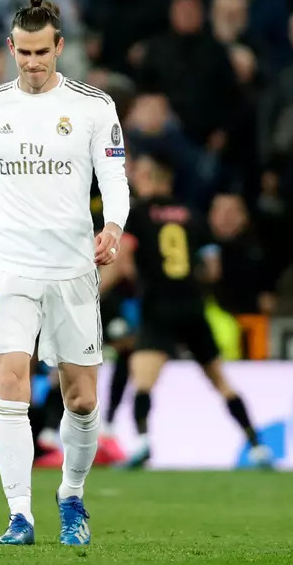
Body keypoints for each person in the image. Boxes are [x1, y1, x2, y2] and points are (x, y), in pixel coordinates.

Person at [0, 0, 130, 546]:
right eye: (23, 53)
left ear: (60, 47)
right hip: (9, 265)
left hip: (72, 267)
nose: (32, 63)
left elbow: (114, 180)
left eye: (41, 52)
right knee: (11, 383)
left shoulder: (94, 107)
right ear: (10, 48)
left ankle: (70, 495)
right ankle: (19, 516)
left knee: (82, 401)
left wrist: (113, 226)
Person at [107, 153, 272, 469]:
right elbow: (212, 269)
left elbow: (123, 263)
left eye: (139, 174)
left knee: (143, 380)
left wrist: (103, 288)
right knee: (220, 381)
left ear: (151, 178)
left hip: (158, 307)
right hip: (193, 306)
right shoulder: (193, 215)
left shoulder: (137, 214)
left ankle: (143, 442)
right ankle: (256, 446)